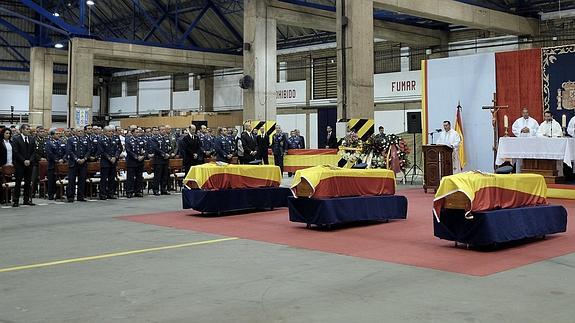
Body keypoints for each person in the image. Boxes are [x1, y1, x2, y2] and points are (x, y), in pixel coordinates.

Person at [11, 124, 37, 207]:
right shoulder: (16, 139)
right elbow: (16, 152)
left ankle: (26, 200)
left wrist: (29, 160)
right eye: (26, 129)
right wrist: (23, 160)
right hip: (19, 164)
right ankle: (16, 200)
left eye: (29, 129)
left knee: (28, 182)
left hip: (29, 164)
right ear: (22, 130)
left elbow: (34, 152)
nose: (28, 130)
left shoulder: (32, 139)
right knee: (18, 183)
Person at [66, 128, 90, 202]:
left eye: (81, 131)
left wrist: (85, 158)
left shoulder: (86, 139)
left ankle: (80, 196)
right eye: (78, 131)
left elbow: (89, 150)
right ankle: (70, 197)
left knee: (82, 180)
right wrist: (77, 159)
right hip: (74, 162)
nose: (80, 132)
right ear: (75, 132)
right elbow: (69, 151)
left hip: (83, 162)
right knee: (72, 180)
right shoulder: (70, 139)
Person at [98, 126, 121, 200]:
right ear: (104, 132)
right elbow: (101, 151)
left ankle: (111, 193)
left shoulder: (115, 139)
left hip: (113, 162)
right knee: (104, 179)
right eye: (109, 131)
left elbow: (119, 148)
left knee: (112, 179)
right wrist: (109, 158)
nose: (111, 133)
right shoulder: (101, 140)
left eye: (112, 131)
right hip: (105, 162)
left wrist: (115, 156)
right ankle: (103, 194)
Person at [151, 126, 173, 196]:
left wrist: (168, 154)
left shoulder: (166, 138)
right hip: (158, 160)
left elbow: (170, 147)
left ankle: (163, 189)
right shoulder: (154, 138)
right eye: (162, 130)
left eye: (164, 130)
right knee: (157, 176)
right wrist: (164, 154)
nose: (164, 131)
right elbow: (156, 148)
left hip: (166, 160)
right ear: (159, 131)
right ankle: (156, 189)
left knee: (165, 176)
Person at [45, 129, 66, 201]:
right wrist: (56, 160)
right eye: (57, 134)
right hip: (52, 164)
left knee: (60, 179)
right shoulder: (49, 143)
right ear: (52, 135)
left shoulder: (61, 142)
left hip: (60, 164)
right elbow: (49, 153)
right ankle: (51, 194)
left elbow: (65, 151)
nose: (58, 135)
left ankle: (59, 194)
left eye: (59, 133)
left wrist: (63, 159)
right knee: (51, 180)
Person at [125, 128, 146, 198]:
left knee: (139, 177)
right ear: (132, 133)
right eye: (136, 132)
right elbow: (128, 151)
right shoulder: (128, 140)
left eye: (139, 132)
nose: (138, 133)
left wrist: (143, 156)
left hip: (140, 162)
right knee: (130, 177)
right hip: (132, 161)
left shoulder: (141, 140)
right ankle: (129, 191)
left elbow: (145, 149)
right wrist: (137, 157)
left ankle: (138, 191)